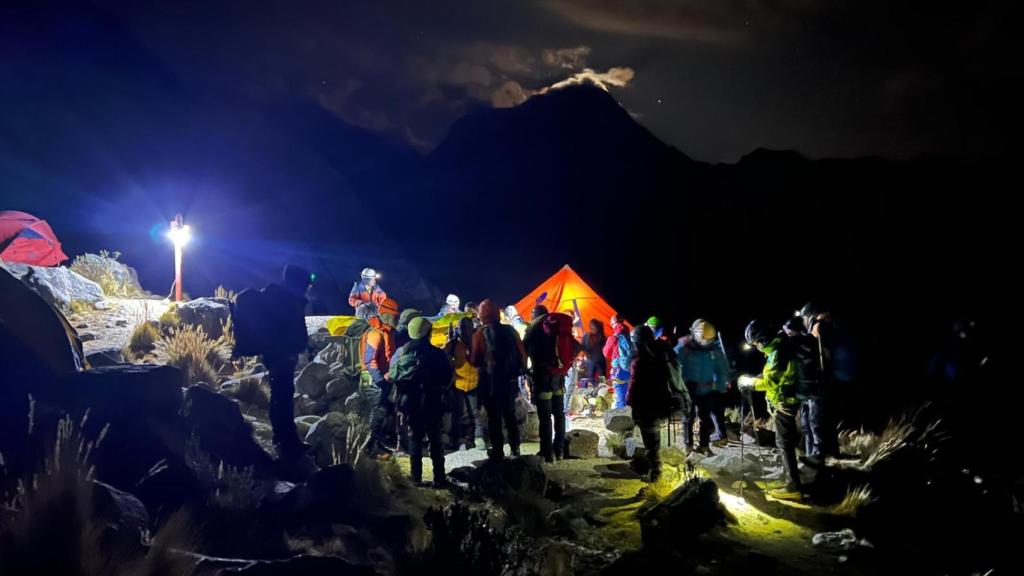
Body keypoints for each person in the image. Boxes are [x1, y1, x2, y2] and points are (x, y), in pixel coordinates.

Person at [739, 320, 803, 499]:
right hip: (783, 401)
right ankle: (787, 480)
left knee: (785, 443)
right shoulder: (778, 348)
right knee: (783, 442)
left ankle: (793, 487)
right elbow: (772, 375)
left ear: (763, 339)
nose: (757, 348)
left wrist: (750, 383)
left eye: (757, 343)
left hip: (785, 403)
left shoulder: (779, 352)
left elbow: (771, 382)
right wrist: (755, 377)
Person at [389, 316, 454, 487]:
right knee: (435, 438)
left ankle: (415, 477)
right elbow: (447, 377)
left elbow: (393, 375)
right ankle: (439, 478)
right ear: (427, 333)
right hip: (432, 401)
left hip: (410, 402)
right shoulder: (436, 354)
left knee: (414, 438)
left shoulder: (401, 352)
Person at [260, 265, 313, 464]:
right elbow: (290, 330)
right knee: (282, 397)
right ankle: (286, 441)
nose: (308, 287)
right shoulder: (288, 300)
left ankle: (285, 437)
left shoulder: (280, 296)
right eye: (307, 283)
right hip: (281, 356)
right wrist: (293, 350)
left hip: (276, 355)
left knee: (281, 395)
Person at [470, 299, 526, 460]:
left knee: (493, 417)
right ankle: (515, 449)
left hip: (490, 383)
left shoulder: (479, 333)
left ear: (481, 316)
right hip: (510, 381)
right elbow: (522, 354)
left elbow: (474, 360)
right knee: (510, 414)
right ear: (497, 314)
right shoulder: (511, 331)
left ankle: (498, 451)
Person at [627, 325, 677, 482]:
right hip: (663, 401)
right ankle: (656, 466)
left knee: (650, 437)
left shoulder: (640, 360)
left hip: (645, 403)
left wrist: (630, 402)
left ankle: (656, 472)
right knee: (654, 434)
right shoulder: (664, 353)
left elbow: (634, 385)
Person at [676, 319, 731, 454]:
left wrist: (720, 386)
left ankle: (704, 445)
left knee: (704, 417)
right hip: (688, 387)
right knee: (688, 417)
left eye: (708, 340)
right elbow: (674, 366)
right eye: (703, 339)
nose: (705, 342)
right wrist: (676, 386)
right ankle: (688, 445)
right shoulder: (685, 347)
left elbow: (721, 368)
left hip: (707, 388)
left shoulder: (713, 349)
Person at [524, 305, 567, 462]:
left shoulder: (534, 328)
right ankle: (560, 450)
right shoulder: (559, 327)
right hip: (559, 377)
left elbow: (524, 348)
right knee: (559, 414)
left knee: (545, 417)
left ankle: (547, 453)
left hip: (543, 377)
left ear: (535, 315)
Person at [445, 316, 482, 450]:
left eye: (467, 327)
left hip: (472, 383)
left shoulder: (475, 341)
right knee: (459, 413)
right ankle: (458, 439)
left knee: (473, 412)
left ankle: (475, 438)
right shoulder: (454, 343)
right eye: (463, 327)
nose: (465, 330)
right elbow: (445, 359)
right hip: (459, 384)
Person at [364, 311, 398, 457]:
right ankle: (369, 446)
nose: (397, 318)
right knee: (379, 411)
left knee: (383, 410)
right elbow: (369, 360)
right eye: (395, 316)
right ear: (388, 316)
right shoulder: (375, 334)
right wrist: (380, 381)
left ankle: (376, 442)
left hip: (381, 379)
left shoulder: (385, 332)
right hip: (374, 381)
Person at [603, 315, 635, 409]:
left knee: (620, 395)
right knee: (630, 394)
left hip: (618, 370)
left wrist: (614, 359)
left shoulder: (613, 338)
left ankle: (622, 417)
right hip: (631, 368)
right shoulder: (631, 336)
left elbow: (606, 352)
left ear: (614, 324)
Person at [581, 319, 608, 385]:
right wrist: (585, 353)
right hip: (591, 361)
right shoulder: (586, 335)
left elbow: (606, 349)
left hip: (601, 361)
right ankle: (591, 391)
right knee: (590, 378)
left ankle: (602, 391)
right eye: (591, 327)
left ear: (597, 328)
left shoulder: (603, 337)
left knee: (602, 379)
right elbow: (582, 346)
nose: (591, 329)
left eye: (593, 327)